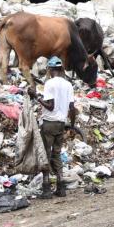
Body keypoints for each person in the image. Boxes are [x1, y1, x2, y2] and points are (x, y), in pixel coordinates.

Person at [27, 56, 77, 199]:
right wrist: (72, 126)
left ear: (49, 69)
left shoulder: (50, 84)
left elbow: (51, 106)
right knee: (57, 153)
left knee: (46, 155)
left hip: (49, 123)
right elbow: (72, 108)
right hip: (61, 123)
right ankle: (61, 187)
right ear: (61, 69)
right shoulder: (68, 85)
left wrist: (36, 96)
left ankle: (47, 188)